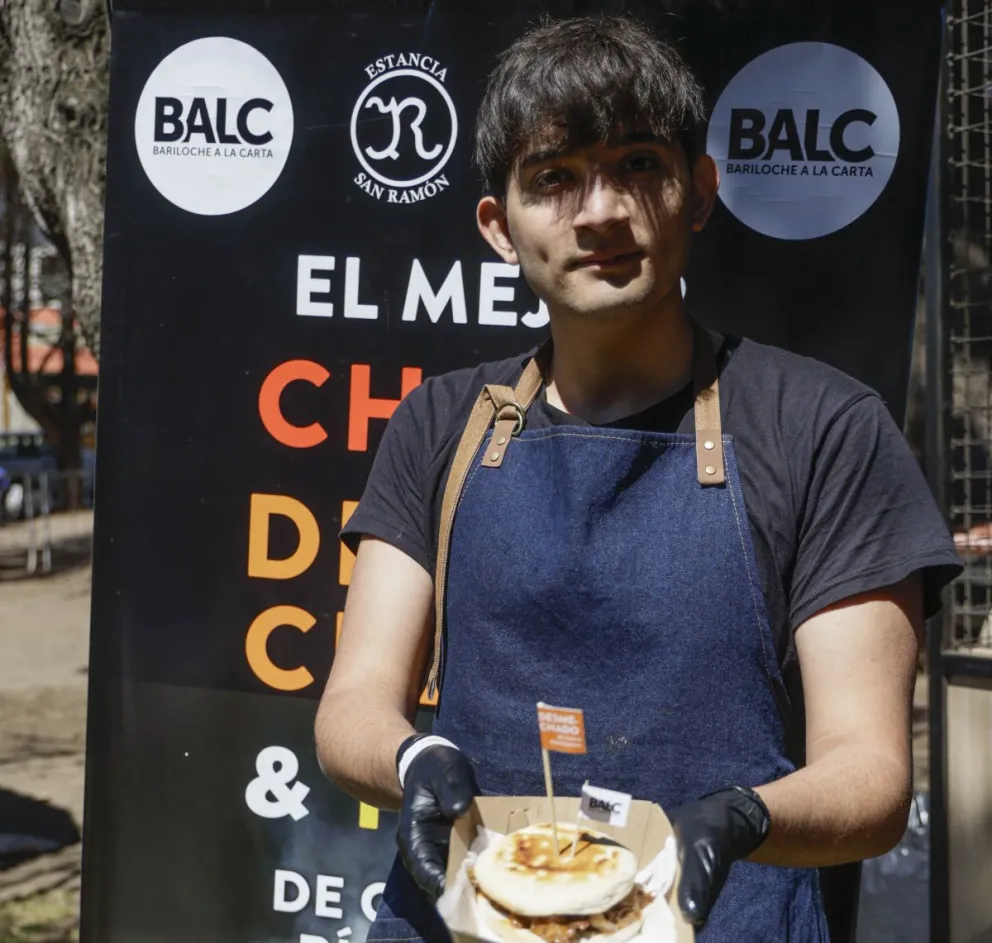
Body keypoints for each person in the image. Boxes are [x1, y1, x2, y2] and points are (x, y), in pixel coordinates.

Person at [315, 15, 961, 943]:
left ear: (698, 191)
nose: (600, 211)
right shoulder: (439, 424)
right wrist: (414, 758)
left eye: (637, 166)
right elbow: (351, 709)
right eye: (554, 179)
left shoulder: (822, 428)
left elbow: (869, 775)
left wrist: (746, 818)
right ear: (499, 227)